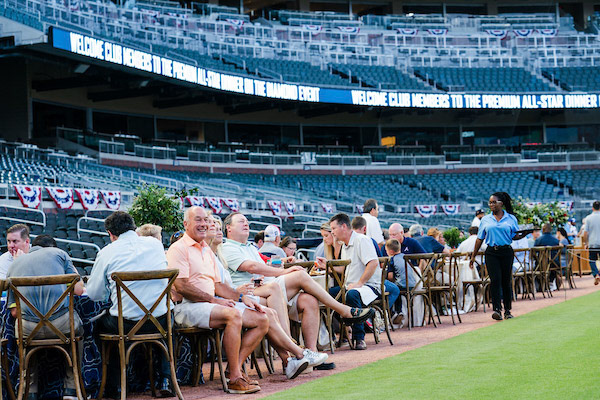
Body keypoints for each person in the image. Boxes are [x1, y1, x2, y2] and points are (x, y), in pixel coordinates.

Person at [168, 208, 317, 390]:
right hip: (188, 307)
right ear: (186, 224)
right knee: (233, 315)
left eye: (205, 220)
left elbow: (219, 286)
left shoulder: (206, 249)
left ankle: (234, 370)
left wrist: (242, 298)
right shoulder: (178, 248)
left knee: (262, 317)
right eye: (197, 220)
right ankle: (235, 379)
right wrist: (217, 300)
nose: (203, 224)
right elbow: (182, 286)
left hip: (210, 304)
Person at [221, 212, 373, 356]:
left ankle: (311, 353)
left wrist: (282, 262)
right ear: (229, 228)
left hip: (269, 287)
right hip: (253, 292)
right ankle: (343, 310)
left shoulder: (249, 247)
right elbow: (252, 267)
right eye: (241, 222)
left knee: (309, 300)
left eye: (247, 222)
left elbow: (263, 264)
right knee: (300, 275)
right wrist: (284, 271)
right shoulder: (227, 247)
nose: (246, 224)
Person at [86, 211, 175, 398]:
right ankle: (165, 379)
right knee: (165, 320)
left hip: (126, 324)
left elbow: (95, 294)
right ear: (134, 228)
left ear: (110, 234)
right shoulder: (155, 244)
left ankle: (115, 386)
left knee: (99, 326)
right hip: (161, 319)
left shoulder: (106, 252)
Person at [7, 234, 85, 397]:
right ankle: (71, 387)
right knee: (78, 330)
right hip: (61, 325)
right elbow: (78, 290)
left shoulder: (14, 265)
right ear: (53, 248)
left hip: (28, 329)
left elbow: (14, 312)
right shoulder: (60, 254)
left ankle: (30, 389)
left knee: (27, 340)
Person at [470, 192, 527, 321]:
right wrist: (473, 256)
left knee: (506, 280)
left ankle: (507, 310)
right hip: (491, 252)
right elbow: (479, 239)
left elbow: (514, 235)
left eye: (494, 202)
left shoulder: (511, 218)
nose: (491, 205)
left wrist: (523, 235)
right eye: (490, 202)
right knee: (495, 280)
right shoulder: (485, 220)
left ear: (501, 203)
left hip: (506, 251)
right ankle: (496, 309)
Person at [329, 213, 380, 350]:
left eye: (334, 228)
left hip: (369, 286)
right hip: (352, 286)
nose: (332, 232)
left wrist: (360, 283)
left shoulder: (361, 240)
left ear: (344, 226)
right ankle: (339, 335)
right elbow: (344, 269)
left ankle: (359, 338)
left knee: (351, 295)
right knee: (326, 295)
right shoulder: (345, 245)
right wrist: (326, 266)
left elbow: (373, 263)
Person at [351, 216, 399, 326]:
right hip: (367, 283)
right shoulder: (369, 240)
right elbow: (380, 263)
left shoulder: (346, 242)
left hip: (352, 282)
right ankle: (378, 314)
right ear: (364, 228)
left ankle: (377, 314)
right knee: (395, 289)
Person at [583, 200, 600, 285]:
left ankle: (596, 274)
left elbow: (585, 232)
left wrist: (586, 243)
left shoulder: (588, 218)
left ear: (592, 208)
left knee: (592, 260)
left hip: (593, 243)